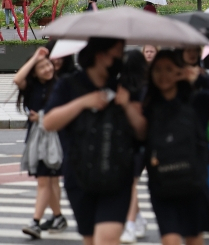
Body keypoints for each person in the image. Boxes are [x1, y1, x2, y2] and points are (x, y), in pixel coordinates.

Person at [43, 38, 146, 245]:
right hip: (81, 176)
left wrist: (126, 105)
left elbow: (143, 131)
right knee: (90, 239)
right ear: (101, 55)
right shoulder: (70, 84)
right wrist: (83, 102)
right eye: (118, 51)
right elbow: (49, 122)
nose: (122, 56)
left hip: (117, 176)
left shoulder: (124, 85)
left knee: (106, 239)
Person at [143, 49, 209, 245]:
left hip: (192, 182)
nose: (163, 75)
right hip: (162, 184)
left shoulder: (196, 101)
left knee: (194, 239)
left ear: (180, 71)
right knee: (170, 240)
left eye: (169, 69)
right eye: (157, 69)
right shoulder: (148, 104)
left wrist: (200, 79)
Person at [14, 47, 68, 239]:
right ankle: (58, 216)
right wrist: (36, 57)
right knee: (49, 181)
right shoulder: (32, 87)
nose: (47, 69)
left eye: (48, 64)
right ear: (34, 72)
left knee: (45, 180)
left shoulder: (59, 85)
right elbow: (17, 79)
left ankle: (35, 222)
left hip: (54, 139)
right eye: (42, 67)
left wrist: (42, 118)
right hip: (37, 139)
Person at [120, 50, 149, 244]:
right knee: (129, 183)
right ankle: (137, 219)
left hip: (137, 142)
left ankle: (130, 224)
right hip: (130, 141)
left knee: (130, 182)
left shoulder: (140, 88)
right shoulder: (139, 86)